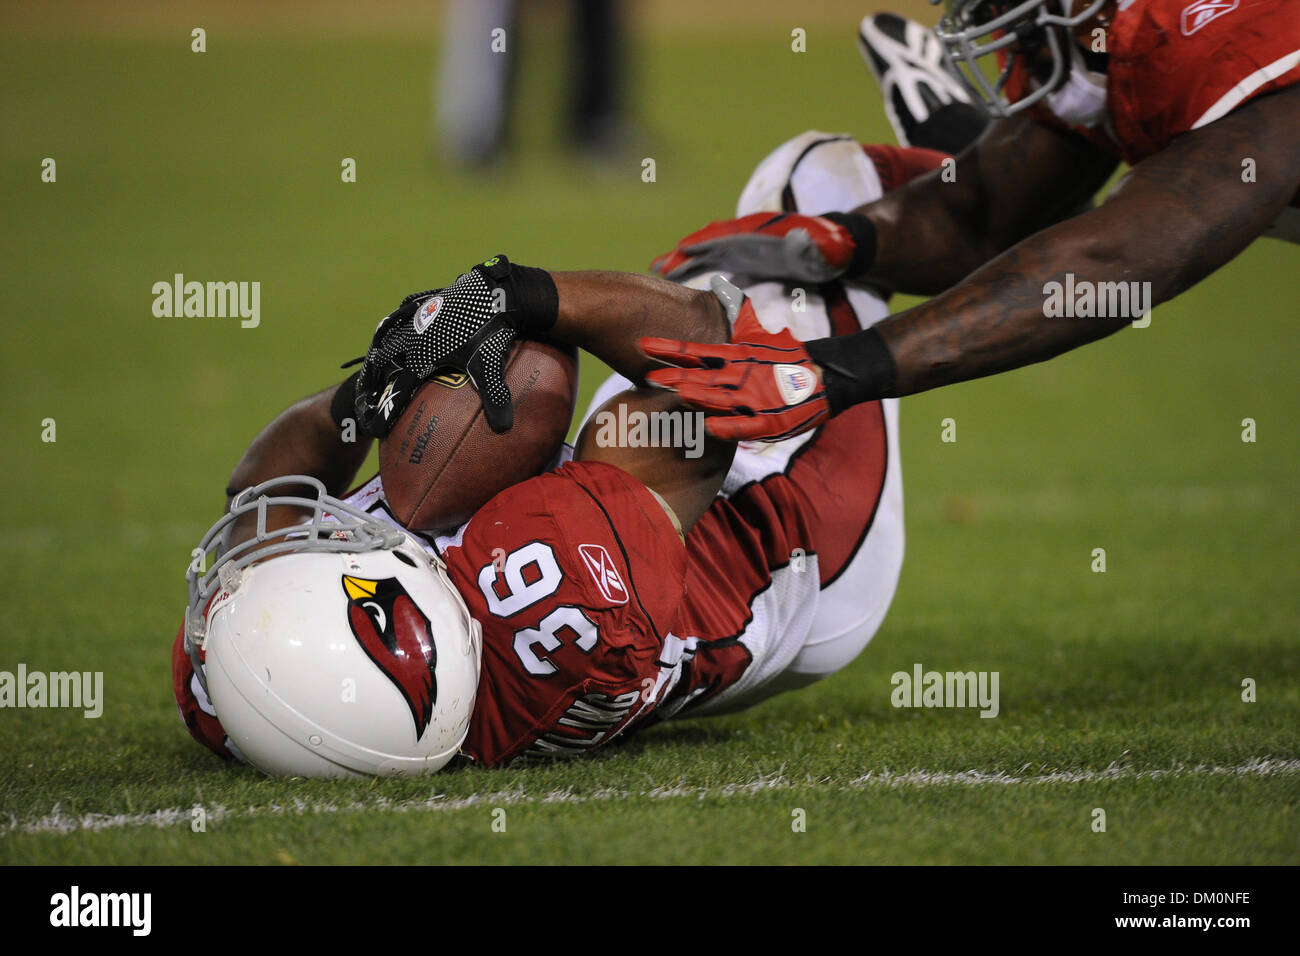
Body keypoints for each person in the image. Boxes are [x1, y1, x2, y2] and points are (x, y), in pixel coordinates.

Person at [170, 127, 959, 775]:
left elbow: (261, 491)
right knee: (803, 193)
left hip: (655, 544)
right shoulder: (548, 589)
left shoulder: (261, 692)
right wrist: (522, 294)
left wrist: (366, 396)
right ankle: (995, 161)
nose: (332, 529)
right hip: (795, 533)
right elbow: (716, 369)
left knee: (668, 299)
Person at [641, 1, 1300, 442]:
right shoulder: (1124, 43)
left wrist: (843, 368)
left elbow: (1110, 263)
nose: (994, 30)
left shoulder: (1232, 42)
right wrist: (849, 238)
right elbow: (981, 218)